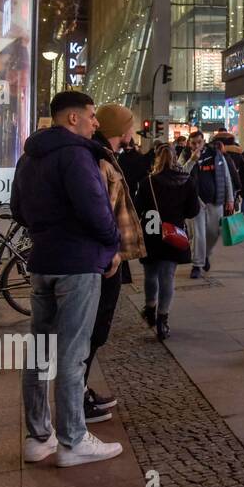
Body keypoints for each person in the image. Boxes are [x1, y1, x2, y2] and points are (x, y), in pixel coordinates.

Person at [10, 91, 124, 467]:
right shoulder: (76, 154)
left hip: (43, 261)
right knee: (72, 355)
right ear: (72, 118)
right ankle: (73, 441)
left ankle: (37, 437)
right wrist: (111, 243)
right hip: (77, 263)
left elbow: (18, 209)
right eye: (91, 116)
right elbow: (95, 208)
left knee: (40, 352)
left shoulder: (29, 156)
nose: (95, 123)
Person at [84, 103, 147, 424]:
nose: (133, 132)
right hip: (105, 258)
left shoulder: (106, 157)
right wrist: (113, 250)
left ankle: (79, 393)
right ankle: (78, 399)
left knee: (94, 329)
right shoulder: (99, 159)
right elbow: (100, 211)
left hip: (107, 256)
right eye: (129, 126)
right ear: (120, 130)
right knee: (93, 330)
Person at [133, 144, 201, 340]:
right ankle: (163, 319)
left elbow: (138, 208)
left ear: (157, 159)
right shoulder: (186, 181)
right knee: (167, 277)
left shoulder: (148, 182)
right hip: (173, 233)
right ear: (175, 158)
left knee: (150, 274)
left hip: (151, 232)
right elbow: (193, 210)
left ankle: (150, 307)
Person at [189, 130, 240, 278]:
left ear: (204, 141)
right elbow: (181, 173)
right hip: (195, 202)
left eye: (199, 142)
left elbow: (226, 176)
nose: (196, 145)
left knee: (213, 232)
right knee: (198, 235)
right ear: (189, 143)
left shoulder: (216, 155)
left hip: (215, 200)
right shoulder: (186, 156)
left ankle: (205, 255)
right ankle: (197, 265)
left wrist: (230, 199)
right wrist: (192, 160)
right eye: (193, 143)